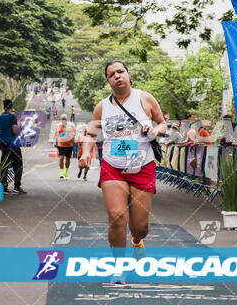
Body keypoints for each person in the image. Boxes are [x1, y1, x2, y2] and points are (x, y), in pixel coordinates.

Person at [79, 60, 166, 276]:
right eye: (111, 74)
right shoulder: (102, 107)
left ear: (128, 74)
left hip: (142, 166)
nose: (117, 76)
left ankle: (137, 241)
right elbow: (90, 134)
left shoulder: (145, 98)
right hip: (113, 166)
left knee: (140, 227)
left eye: (120, 71)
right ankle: (119, 266)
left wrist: (154, 130)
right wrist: (85, 153)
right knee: (117, 217)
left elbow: (162, 124)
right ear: (108, 81)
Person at [0, 99, 26, 194]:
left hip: (2, 145)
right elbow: (14, 131)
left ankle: (4, 187)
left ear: (4, 107)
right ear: (11, 107)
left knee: (4, 165)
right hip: (12, 145)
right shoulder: (12, 117)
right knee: (18, 165)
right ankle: (17, 186)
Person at [53, 114, 77, 179]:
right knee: (61, 158)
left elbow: (75, 133)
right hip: (61, 144)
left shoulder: (71, 126)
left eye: (64, 119)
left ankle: (66, 172)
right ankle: (61, 173)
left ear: (67, 119)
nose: (63, 120)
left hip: (69, 144)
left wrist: (73, 137)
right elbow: (56, 134)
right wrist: (55, 142)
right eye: (62, 119)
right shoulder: (58, 126)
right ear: (61, 119)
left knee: (68, 159)